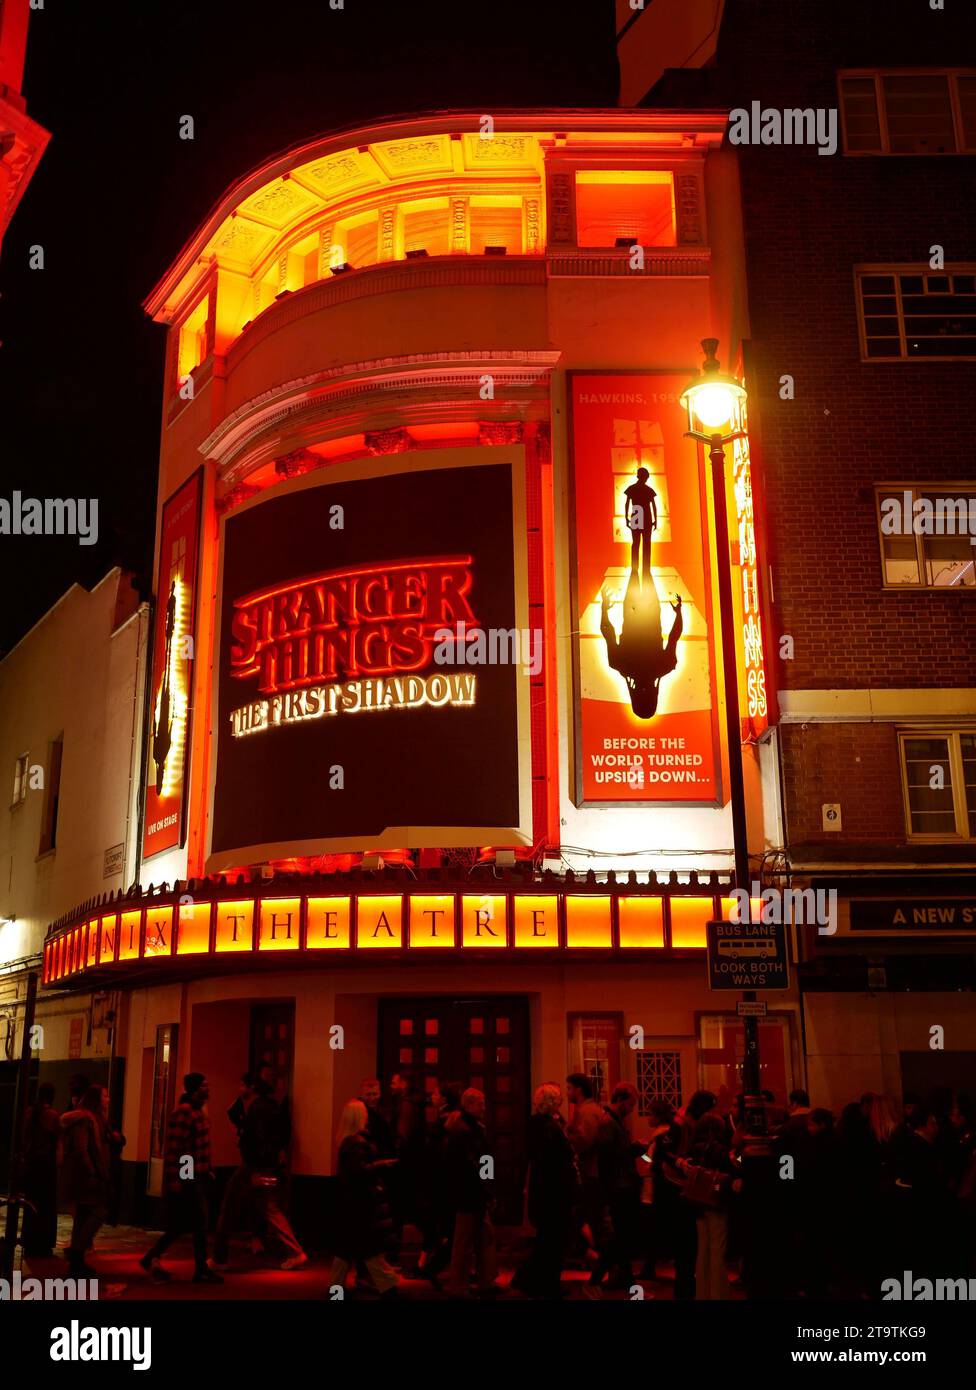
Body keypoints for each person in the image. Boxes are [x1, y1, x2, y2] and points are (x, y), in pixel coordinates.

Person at [139, 1072, 222, 1284]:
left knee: (183, 1224)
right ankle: (200, 1269)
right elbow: (177, 1149)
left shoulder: (197, 1111)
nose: (208, 1089)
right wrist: (182, 1179)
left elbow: (197, 1146)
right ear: (195, 1088)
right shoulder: (185, 1112)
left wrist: (207, 1168)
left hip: (198, 1174)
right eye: (204, 1085)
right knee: (199, 1222)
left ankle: (152, 1257)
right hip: (191, 1176)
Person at [512, 1084, 579, 1299]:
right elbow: (556, 1159)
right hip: (554, 1193)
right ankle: (544, 1283)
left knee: (547, 1240)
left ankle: (531, 1280)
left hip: (544, 1191)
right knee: (552, 1242)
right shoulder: (549, 1127)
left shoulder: (537, 1125)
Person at [327, 1100, 399, 1297]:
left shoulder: (346, 1141)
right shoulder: (357, 1143)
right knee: (368, 1249)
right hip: (359, 1203)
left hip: (349, 1202)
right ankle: (388, 1286)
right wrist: (381, 1165)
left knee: (347, 1250)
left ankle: (336, 1289)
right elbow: (359, 1172)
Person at [237, 1075, 307, 1269]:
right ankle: (259, 1241)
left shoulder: (256, 1109)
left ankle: (294, 1250)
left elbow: (253, 1139)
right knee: (266, 1205)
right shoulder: (274, 1108)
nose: (239, 1088)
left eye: (243, 1085)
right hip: (271, 1163)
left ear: (252, 1088)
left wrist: (253, 1161)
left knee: (268, 1207)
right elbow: (282, 1134)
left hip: (260, 1165)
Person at [601, 577, 683, 720]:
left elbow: (674, 637)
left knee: (644, 573)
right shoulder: (618, 664)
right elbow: (608, 633)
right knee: (640, 573)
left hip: (647, 613)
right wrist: (604, 610)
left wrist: (678, 614)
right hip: (637, 612)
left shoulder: (665, 666)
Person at [445, 1089, 499, 1298]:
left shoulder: (466, 1128)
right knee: (468, 1241)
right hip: (470, 1194)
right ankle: (462, 1286)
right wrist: (488, 1187)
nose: (484, 1108)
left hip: (470, 1193)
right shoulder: (468, 1131)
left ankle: (476, 1283)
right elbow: (478, 1163)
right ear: (469, 1105)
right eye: (480, 1104)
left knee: (476, 1239)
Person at [680, 1112, 737, 1300]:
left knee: (702, 1249)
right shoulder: (720, 1150)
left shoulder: (693, 1148)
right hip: (716, 1202)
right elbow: (732, 1169)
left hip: (697, 1202)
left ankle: (702, 1293)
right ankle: (718, 1294)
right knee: (717, 1250)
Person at [592, 1083, 644, 1289]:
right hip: (618, 1188)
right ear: (622, 1100)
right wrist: (633, 1150)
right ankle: (598, 1278)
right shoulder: (609, 1123)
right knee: (621, 1235)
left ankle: (624, 1278)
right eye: (631, 1104)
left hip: (619, 1186)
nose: (632, 1109)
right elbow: (608, 1158)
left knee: (622, 1235)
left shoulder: (613, 1121)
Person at [60, 1084, 111, 1277]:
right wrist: (93, 1171)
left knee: (82, 1216)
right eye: (105, 1096)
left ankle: (77, 1263)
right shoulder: (84, 1119)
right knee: (99, 1211)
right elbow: (82, 1149)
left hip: (84, 1174)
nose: (108, 1099)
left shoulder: (96, 1119)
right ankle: (76, 1252)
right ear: (96, 1099)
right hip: (86, 1176)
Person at [417, 1080, 462, 1288]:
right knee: (447, 1226)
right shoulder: (450, 1119)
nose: (431, 1097)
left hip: (441, 1181)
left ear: (444, 1098)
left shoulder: (445, 1121)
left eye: (435, 1093)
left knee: (444, 1225)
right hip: (446, 1181)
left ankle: (431, 1265)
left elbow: (435, 1152)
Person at [566, 1073, 605, 1262]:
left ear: (578, 1090)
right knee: (587, 1216)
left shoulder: (587, 1112)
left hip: (590, 1173)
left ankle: (594, 1254)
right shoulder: (586, 1110)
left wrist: (565, 1138)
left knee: (583, 1216)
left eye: (569, 1088)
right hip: (591, 1172)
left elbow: (584, 1141)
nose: (567, 1093)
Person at [22, 1083, 60, 1257]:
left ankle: (30, 1242)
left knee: (31, 1205)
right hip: (46, 1165)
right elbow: (58, 1138)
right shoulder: (52, 1115)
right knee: (46, 1206)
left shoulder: (30, 1113)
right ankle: (43, 1244)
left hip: (31, 1164)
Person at [624, 466, 658, 574]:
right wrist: (655, 520)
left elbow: (627, 503)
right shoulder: (648, 490)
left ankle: (636, 567)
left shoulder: (632, 488)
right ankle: (644, 567)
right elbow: (653, 506)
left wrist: (626, 518)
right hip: (645, 517)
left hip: (637, 516)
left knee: (636, 543)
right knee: (645, 544)